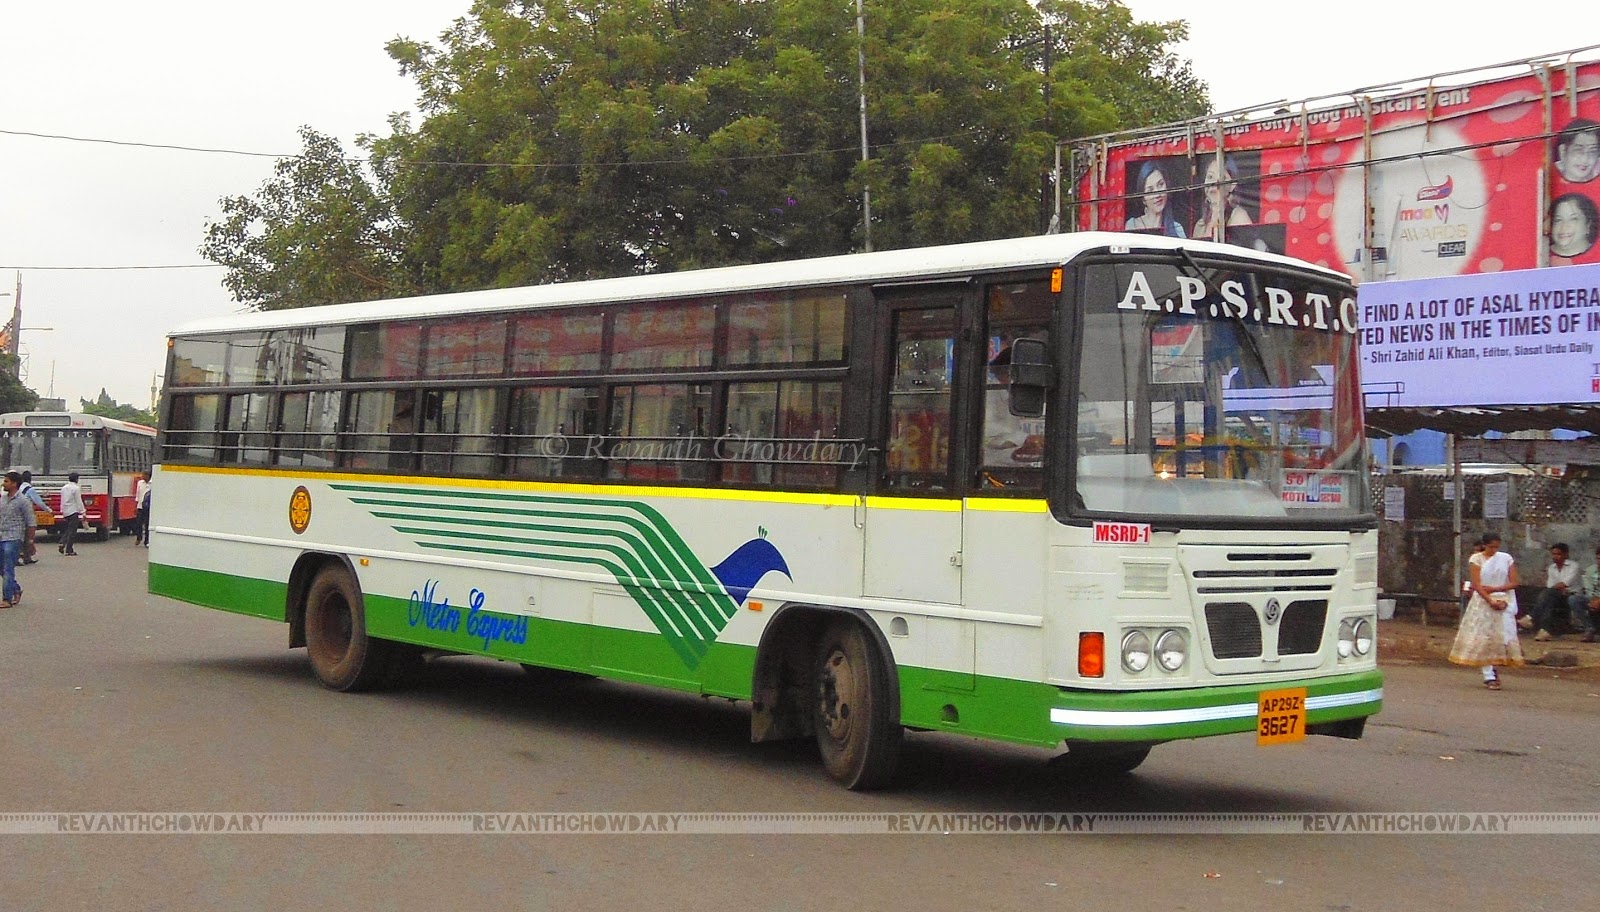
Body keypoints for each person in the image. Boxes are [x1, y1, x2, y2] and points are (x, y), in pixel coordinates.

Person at [1449, 532, 1523, 689]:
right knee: (1484, 637)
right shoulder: (1476, 559)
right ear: (1484, 545)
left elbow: (1514, 582)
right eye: (1491, 547)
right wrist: (1490, 600)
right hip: (1483, 601)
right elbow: (1477, 584)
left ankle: (1495, 667)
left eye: (1497, 547)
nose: (1494, 550)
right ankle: (1489, 675)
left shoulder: (1506, 558)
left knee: (1502, 636)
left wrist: (1497, 590)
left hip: (1503, 599)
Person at [1527, 542, 1593, 641]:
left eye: (1558, 554)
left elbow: (1564, 583)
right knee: (1549, 598)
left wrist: (1558, 588)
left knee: (1549, 595)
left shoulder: (1574, 566)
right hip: (1557, 594)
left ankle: (1532, 618)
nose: (1555, 557)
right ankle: (1544, 630)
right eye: (1553, 554)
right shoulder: (1551, 568)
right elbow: (1550, 586)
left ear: (1565, 555)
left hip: (1573, 595)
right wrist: (1557, 589)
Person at [1191, 156, 1252, 240]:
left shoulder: (1238, 216)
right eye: (1210, 177)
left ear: (1232, 186)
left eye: (1222, 178)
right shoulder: (1200, 225)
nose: (1214, 183)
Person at [0, 472, 37, 609]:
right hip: (1, 536)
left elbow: (31, 522)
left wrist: (30, 541)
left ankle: (6, 599)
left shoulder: (23, 501)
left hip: (14, 538)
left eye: (6, 481)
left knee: (8, 568)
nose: (4, 484)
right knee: (1, 567)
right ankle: (15, 589)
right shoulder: (3, 499)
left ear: (14, 484)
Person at [1124, 160, 1187, 238]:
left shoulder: (1177, 229)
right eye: (1150, 190)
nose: (1157, 194)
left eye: (1160, 184)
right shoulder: (1132, 225)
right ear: (1143, 199)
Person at [1548, 193, 1599, 263]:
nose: (1564, 226)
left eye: (1573, 219)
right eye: (1558, 220)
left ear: (1588, 225)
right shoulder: (1542, 254)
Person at [1553, 118, 1600, 185]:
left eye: (1592, 151)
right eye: (1578, 150)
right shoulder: (1550, 172)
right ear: (1562, 151)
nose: (1585, 159)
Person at [18, 470, 47, 565]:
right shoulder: (30, 490)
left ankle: (27, 557)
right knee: (28, 536)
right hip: (27, 514)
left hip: (17, 514)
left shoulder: (18, 488)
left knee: (22, 535)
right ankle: (22, 556)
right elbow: (39, 502)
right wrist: (49, 510)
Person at [58, 471, 85, 557]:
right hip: (73, 511)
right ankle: (69, 549)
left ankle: (62, 542)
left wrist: (62, 510)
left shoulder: (64, 488)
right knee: (72, 531)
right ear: (76, 479)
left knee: (69, 529)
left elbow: (62, 500)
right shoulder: (76, 488)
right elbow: (78, 500)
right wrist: (83, 511)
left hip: (66, 511)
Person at [1578, 547, 1600, 644]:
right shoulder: (1590, 570)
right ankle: (1589, 628)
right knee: (1574, 599)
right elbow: (1588, 588)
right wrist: (1593, 600)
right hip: (1592, 598)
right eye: (1598, 558)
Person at [134, 470, 152, 547]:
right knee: (138, 523)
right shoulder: (140, 483)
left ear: (149, 476)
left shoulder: (153, 483)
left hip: (149, 507)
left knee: (148, 524)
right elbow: (137, 495)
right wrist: (136, 506)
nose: (143, 476)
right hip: (140, 506)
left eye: (145, 475)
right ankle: (139, 537)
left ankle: (147, 541)